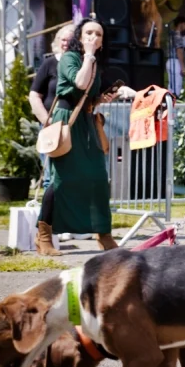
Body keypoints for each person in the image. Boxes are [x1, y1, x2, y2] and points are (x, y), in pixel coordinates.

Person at [36, 19, 119, 255]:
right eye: (89, 32)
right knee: (61, 180)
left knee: (98, 177)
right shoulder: (70, 58)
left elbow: (88, 96)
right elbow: (79, 83)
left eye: (99, 34)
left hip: (86, 121)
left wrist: (102, 99)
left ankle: (103, 234)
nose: (94, 37)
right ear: (80, 37)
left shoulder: (95, 64)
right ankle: (43, 236)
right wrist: (89, 56)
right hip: (66, 121)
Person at [29, 24, 75, 190]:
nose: (66, 43)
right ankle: (50, 211)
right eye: (63, 39)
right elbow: (34, 95)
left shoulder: (81, 65)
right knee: (51, 171)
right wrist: (45, 120)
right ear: (57, 41)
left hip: (75, 123)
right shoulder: (49, 63)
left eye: (70, 40)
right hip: (51, 124)